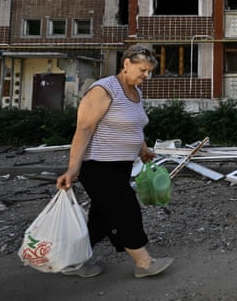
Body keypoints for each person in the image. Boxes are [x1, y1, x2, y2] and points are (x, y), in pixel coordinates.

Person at [56, 45, 173, 278]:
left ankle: (72, 261)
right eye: (142, 70)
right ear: (126, 64)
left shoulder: (135, 92)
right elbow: (84, 129)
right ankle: (143, 263)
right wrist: (73, 167)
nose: (146, 76)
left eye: (149, 71)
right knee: (125, 209)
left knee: (101, 218)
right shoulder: (103, 90)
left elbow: (133, 126)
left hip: (120, 166)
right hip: (98, 165)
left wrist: (142, 149)